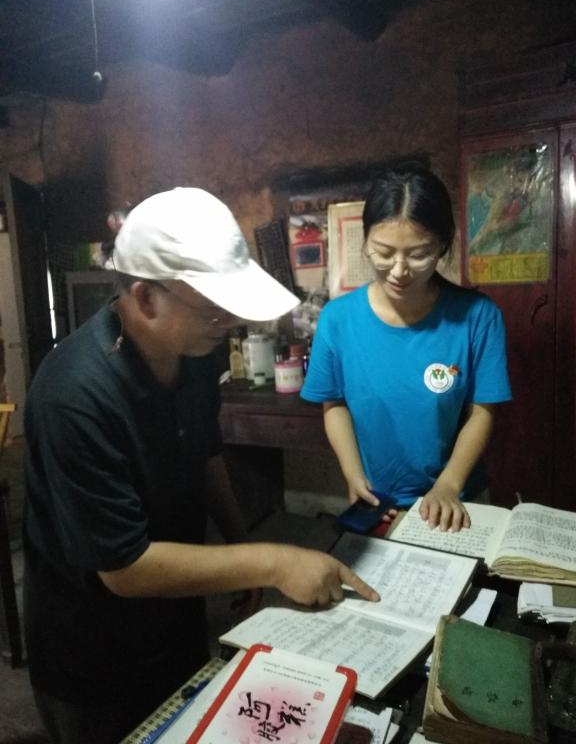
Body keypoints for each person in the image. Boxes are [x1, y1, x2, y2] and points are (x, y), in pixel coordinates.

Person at [22, 187, 379, 744]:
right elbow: (125, 568)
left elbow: (206, 453)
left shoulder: (193, 352)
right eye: (213, 306)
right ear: (145, 298)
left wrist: (239, 539)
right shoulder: (73, 394)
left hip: (176, 623)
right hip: (92, 656)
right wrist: (272, 562)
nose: (228, 321)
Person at [301, 166, 511, 533]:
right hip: (378, 504)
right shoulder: (337, 319)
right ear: (365, 239)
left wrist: (448, 485)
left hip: (456, 502)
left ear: (443, 245)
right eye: (384, 253)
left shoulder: (478, 316)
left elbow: (482, 411)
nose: (399, 271)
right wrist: (353, 474)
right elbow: (334, 405)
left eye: (418, 255)